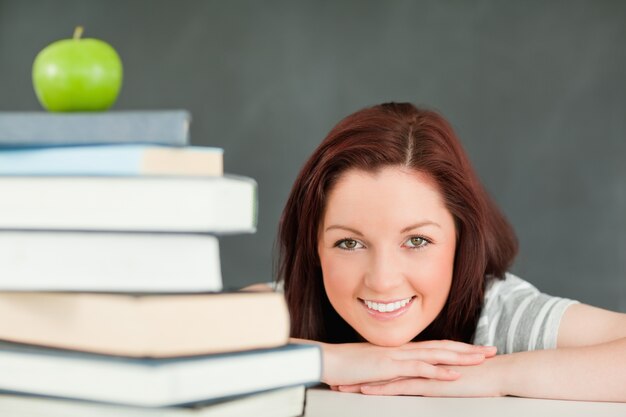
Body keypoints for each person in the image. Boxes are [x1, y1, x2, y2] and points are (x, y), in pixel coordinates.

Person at [256, 102, 626, 401]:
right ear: (315, 248)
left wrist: (493, 375)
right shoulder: (297, 303)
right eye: (349, 243)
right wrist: (327, 360)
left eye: (417, 241)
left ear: (460, 242)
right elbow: (198, 336)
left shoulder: (498, 316)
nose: (383, 280)